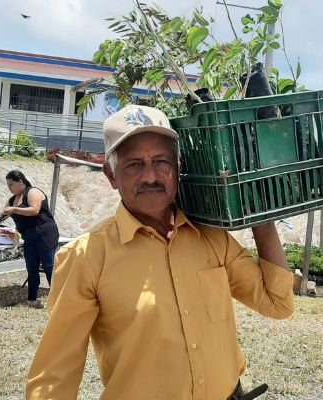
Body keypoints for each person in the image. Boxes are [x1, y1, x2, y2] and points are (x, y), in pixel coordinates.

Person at [26, 105, 294, 399]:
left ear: (178, 169)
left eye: (161, 161)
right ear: (111, 175)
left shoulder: (211, 237)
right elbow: (54, 375)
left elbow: (277, 304)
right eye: (134, 164)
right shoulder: (86, 257)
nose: (150, 176)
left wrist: (263, 219)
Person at [3, 170, 59, 308]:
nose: (9, 188)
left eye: (12, 184)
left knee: (48, 266)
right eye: (8, 185)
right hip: (29, 236)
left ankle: (58, 300)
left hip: (44, 233)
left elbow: (34, 210)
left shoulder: (32, 192)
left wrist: (14, 210)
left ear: (21, 181)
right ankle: (32, 300)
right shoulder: (12, 200)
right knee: (31, 268)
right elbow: (6, 213)